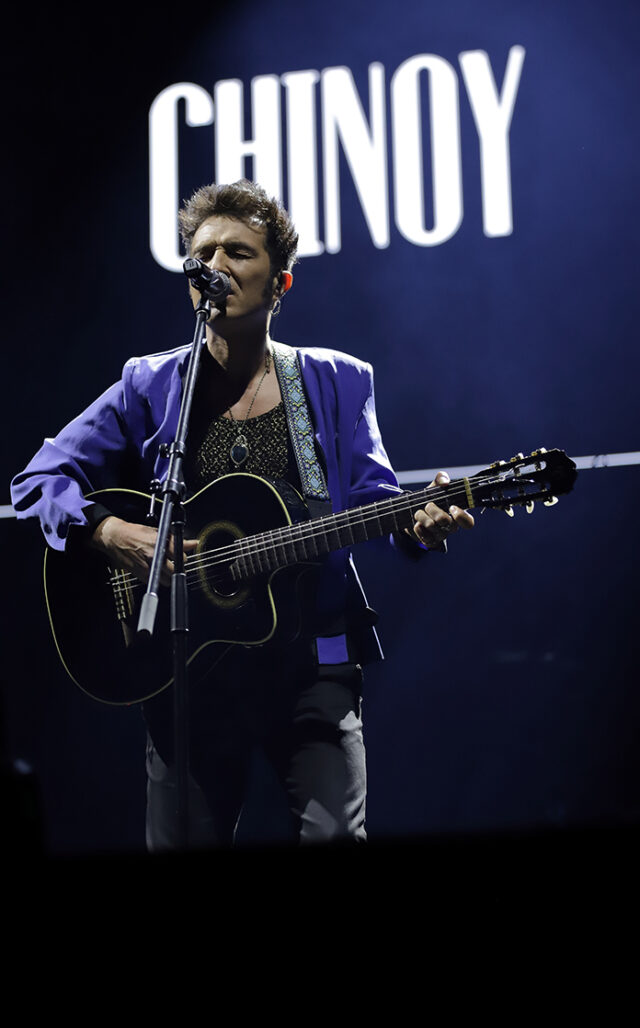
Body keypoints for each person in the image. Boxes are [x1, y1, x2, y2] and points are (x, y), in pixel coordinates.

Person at [10, 179, 474, 849]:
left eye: (238, 251)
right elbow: (40, 477)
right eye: (203, 254)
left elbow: (374, 505)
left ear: (280, 283)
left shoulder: (338, 380)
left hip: (312, 666)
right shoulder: (150, 384)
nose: (215, 266)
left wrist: (419, 528)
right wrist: (108, 531)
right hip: (188, 671)